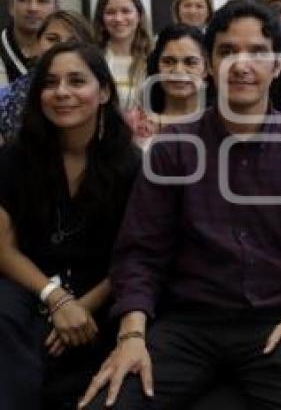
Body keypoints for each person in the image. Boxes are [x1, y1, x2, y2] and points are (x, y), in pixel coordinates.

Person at [78, 0, 281, 410]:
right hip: (188, 322)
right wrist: (132, 336)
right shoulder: (173, 149)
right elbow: (139, 254)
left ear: (277, 66)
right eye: (227, 51)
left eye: (257, 53)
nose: (241, 65)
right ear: (210, 64)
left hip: (280, 320)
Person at [0, 42, 140, 409]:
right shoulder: (15, 157)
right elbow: (3, 248)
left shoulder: (130, 164)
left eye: (77, 81)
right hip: (29, 288)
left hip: (102, 293)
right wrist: (56, 298)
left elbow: (135, 253)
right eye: (50, 83)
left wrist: (81, 307)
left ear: (104, 90)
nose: (62, 93)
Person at [0, 10, 96, 145]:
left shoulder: (96, 91)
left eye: (72, 41)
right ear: (37, 43)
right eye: (52, 39)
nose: (61, 46)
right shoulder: (6, 99)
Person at [129, 24, 208, 149]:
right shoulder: (134, 124)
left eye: (190, 62)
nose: (178, 71)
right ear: (157, 66)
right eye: (168, 62)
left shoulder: (221, 123)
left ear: (206, 69)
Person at [92, 0, 154, 113]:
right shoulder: (91, 58)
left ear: (139, 16)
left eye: (126, 11)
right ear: (101, 19)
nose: (118, 19)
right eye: (110, 12)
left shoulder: (154, 58)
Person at [0, 0, 58, 86]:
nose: (33, 8)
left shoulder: (69, 51)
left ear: (56, 9)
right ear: (11, 7)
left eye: (42, 0)